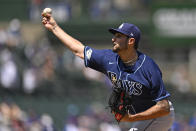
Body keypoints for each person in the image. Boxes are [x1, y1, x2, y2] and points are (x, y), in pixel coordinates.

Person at [41, 12, 175, 131]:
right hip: (143, 117)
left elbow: (163, 107)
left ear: (131, 41)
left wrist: (132, 118)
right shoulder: (108, 59)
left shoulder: (148, 67)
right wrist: (54, 27)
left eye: (118, 36)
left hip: (161, 115)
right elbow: (79, 50)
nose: (113, 39)